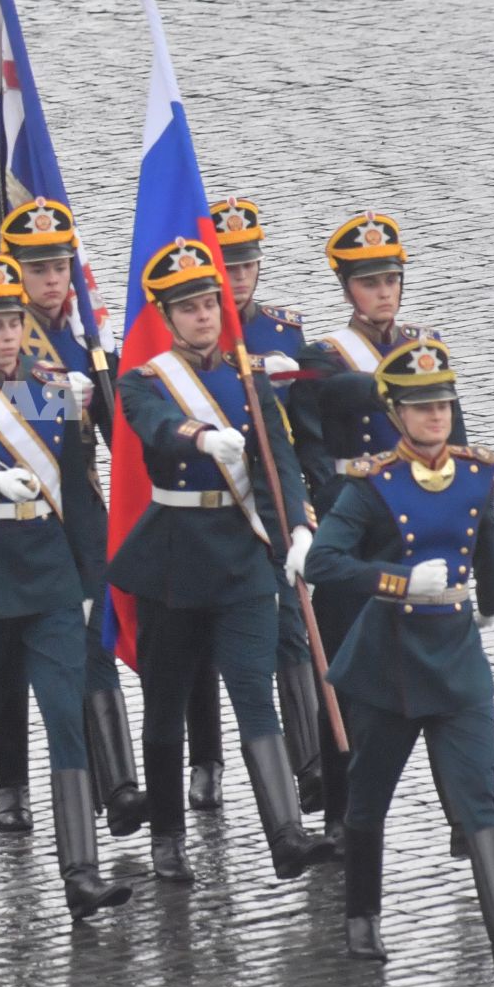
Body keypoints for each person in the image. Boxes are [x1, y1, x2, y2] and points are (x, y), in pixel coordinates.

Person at [305, 340, 494, 974]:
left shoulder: (476, 472)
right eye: (420, 407)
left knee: (478, 792)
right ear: (395, 413)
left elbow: (486, 534)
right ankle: (362, 919)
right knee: (369, 797)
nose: (436, 417)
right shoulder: (370, 486)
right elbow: (323, 562)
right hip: (391, 662)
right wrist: (398, 581)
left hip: (457, 655)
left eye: (442, 404)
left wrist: (490, 601)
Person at [108, 238, 332, 884]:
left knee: (255, 696)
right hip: (174, 560)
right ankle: (168, 841)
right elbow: (151, 424)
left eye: (210, 303)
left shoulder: (249, 375)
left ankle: (286, 834)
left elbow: (277, 462)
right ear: (167, 315)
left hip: (241, 556)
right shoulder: (142, 380)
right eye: (190, 307)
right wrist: (201, 436)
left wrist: (294, 529)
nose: (205, 315)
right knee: (167, 705)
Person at [0, 252, 135, 917]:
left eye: (13, 322)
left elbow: (77, 496)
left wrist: (89, 580)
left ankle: (80, 872)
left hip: (50, 581)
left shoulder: (55, 392)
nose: (6, 336)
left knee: (65, 719)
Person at [292, 213, 468, 850]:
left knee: (443, 673)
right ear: (347, 290)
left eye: (390, 279)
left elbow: (457, 438)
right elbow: (313, 444)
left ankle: (463, 816)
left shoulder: (426, 345)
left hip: (419, 527)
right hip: (360, 525)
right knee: (345, 673)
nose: (383, 292)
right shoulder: (321, 356)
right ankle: (341, 813)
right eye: (369, 282)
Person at [0, 198, 149, 840]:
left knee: (92, 626)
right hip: (15, 510)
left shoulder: (88, 341)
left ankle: (119, 782)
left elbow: (118, 438)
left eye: (59, 267)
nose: (52, 280)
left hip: (78, 507)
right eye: (38, 268)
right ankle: (10, 787)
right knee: (6, 650)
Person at [183, 197, 320, 815]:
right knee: (202, 641)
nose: (238, 277)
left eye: (247, 265)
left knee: (293, 623)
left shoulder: (284, 332)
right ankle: (205, 762)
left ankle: (310, 761)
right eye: (226, 265)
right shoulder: (180, 339)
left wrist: (306, 506)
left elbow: (306, 431)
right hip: (205, 509)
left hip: (270, 499)